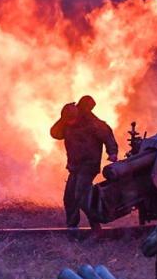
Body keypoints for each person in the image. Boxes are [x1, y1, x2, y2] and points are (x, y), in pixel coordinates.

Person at [50, 95, 118, 228]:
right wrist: (62, 120)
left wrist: (112, 152)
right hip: (74, 166)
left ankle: (95, 225)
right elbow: (55, 134)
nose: (69, 123)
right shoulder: (66, 123)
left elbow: (107, 135)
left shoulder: (92, 123)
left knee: (81, 195)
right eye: (67, 120)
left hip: (89, 165)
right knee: (69, 198)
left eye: (71, 120)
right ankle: (72, 228)